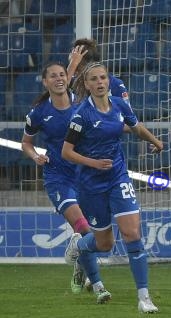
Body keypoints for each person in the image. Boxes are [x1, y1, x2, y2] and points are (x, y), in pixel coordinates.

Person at [62, 62, 163, 313]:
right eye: (94, 79)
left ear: (109, 81)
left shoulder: (119, 105)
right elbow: (67, 152)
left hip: (118, 178)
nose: (99, 82)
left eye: (103, 78)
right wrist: (93, 163)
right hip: (90, 185)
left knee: (132, 234)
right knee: (104, 244)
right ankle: (79, 246)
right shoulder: (81, 115)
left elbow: (136, 126)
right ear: (86, 85)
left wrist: (154, 140)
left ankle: (144, 298)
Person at [21, 62, 104, 295]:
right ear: (45, 82)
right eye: (53, 76)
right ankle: (97, 284)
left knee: (94, 234)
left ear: (67, 78)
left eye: (62, 75)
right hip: (58, 177)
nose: (59, 79)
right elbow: (26, 142)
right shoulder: (38, 113)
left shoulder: (81, 104)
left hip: (84, 174)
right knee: (85, 230)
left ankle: (79, 261)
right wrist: (35, 155)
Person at [67, 38, 130, 103]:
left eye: (77, 68)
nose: (74, 72)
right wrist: (72, 65)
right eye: (72, 67)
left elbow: (127, 112)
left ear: (89, 66)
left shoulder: (115, 84)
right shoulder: (73, 82)